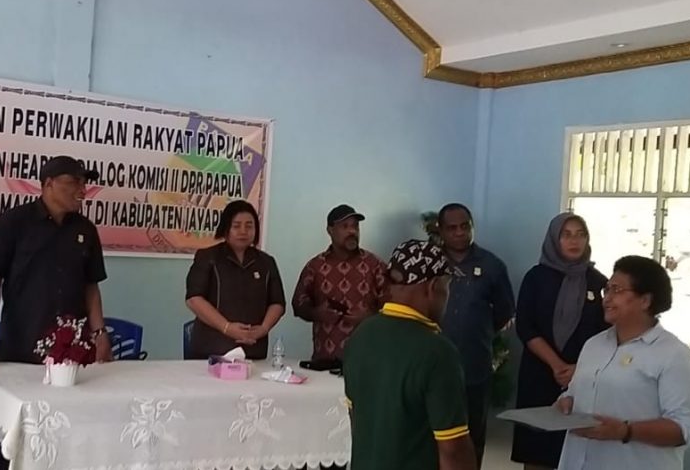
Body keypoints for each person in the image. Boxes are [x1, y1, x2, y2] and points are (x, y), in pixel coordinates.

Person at [0, 155, 112, 470]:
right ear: (48, 184)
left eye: (84, 183)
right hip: (20, 345)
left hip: (71, 352)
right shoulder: (13, 223)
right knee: (9, 435)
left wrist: (100, 333)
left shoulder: (85, 229)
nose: (82, 189)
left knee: (65, 431)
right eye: (73, 182)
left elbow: (91, 285)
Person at [556, 256, 690, 470]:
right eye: (607, 290)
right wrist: (566, 402)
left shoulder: (674, 355)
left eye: (617, 290)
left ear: (645, 301)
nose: (607, 298)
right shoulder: (594, 345)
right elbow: (574, 393)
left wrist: (626, 431)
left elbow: (683, 430)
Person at [343, 239, 477, 470]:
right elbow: (453, 450)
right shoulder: (437, 352)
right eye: (447, 286)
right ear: (432, 287)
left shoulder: (361, 335)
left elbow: (357, 419)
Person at [512, 213, 609, 470]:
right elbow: (525, 326)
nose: (574, 241)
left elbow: (607, 334)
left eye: (580, 234)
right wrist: (556, 365)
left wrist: (579, 369)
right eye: (566, 235)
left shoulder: (599, 282)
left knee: (576, 448)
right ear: (554, 239)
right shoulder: (535, 278)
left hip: (584, 377)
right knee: (537, 449)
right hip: (540, 373)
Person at [436, 203, 515, 468]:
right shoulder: (431, 263)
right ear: (441, 231)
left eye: (465, 226)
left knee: (473, 435)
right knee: (432, 434)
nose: (460, 233)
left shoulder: (492, 265)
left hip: (474, 365)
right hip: (433, 366)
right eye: (452, 228)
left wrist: (477, 331)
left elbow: (504, 312)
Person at [185, 199, 286, 360]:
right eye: (236, 226)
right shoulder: (208, 257)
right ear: (226, 228)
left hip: (253, 351)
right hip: (211, 350)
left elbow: (277, 303)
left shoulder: (266, 262)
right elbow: (194, 299)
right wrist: (227, 327)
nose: (243, 231)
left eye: (249, 226)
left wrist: (264, 328)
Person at [292, 204, 386, 365]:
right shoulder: (315, 266)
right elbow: (298, 305)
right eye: (345, 226)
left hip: (368, 361)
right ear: (330, 230)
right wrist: (316, 313)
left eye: (355, 226)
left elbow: (394, 304)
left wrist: (370, 317)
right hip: (326, 360)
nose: (352, 231)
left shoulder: (375, 265)